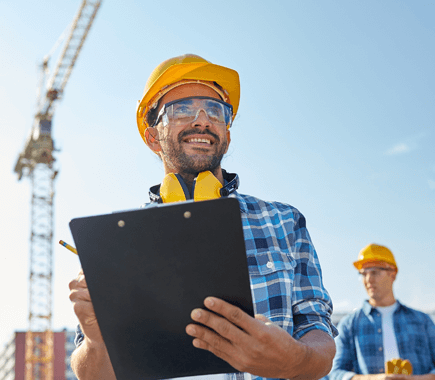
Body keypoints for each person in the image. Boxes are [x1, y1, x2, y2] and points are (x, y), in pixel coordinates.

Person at [69, 54, 338, 380]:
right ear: (153, 136)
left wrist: (295, 361)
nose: (202, 120)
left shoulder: (284, 222)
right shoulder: (115, 245)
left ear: (226, 133)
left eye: (215, 111)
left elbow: (317, 333)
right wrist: (98, 342)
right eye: (181, 109)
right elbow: (91, 374)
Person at [328, 244, 435, 380]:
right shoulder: (349, 325)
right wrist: (376, 379)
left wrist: (414, 379)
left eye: (375, 272)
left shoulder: (422, 321)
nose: (368, 280)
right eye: (363, 273)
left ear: (393, 274)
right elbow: (335, 374)